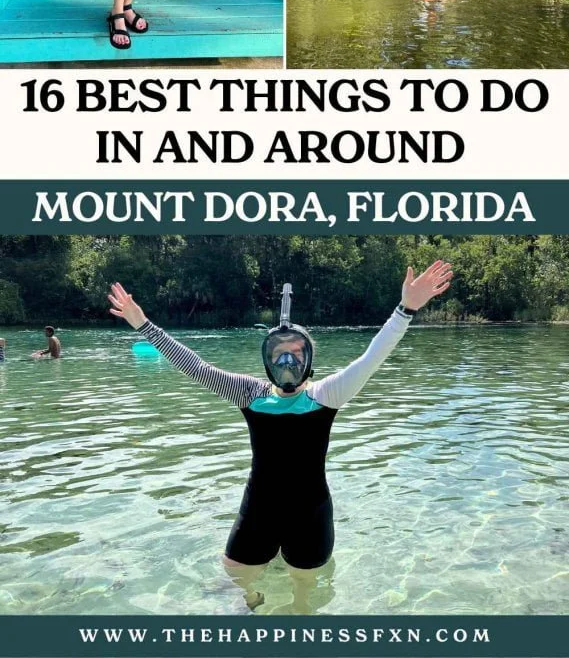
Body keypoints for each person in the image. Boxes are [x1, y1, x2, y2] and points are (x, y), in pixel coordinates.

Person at [107, 261, 452, 608]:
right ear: (267, 363)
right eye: (279, 356)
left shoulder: (327, 395)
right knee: (235, 575)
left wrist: (405, 308)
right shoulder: (250, 394)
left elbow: (372, 356)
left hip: (310, 516)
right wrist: (143, 325)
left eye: (296, 356)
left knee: (305, 592)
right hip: (259, 510)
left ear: (309, 362)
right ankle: (255, 601)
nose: (287, 364)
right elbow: (196, 367)